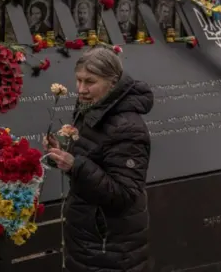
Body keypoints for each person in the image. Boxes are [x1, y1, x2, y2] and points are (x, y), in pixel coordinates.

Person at [44, 47, 152, 272]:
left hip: (110, 244)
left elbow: (124, 193)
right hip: (88, 236)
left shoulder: (127, 128)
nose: (81, 89)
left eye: (90, 82)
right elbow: (92, 164)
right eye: (78, 80)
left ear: (113, 83)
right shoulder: (94, 109)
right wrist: (61, 155)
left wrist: (76, 164)